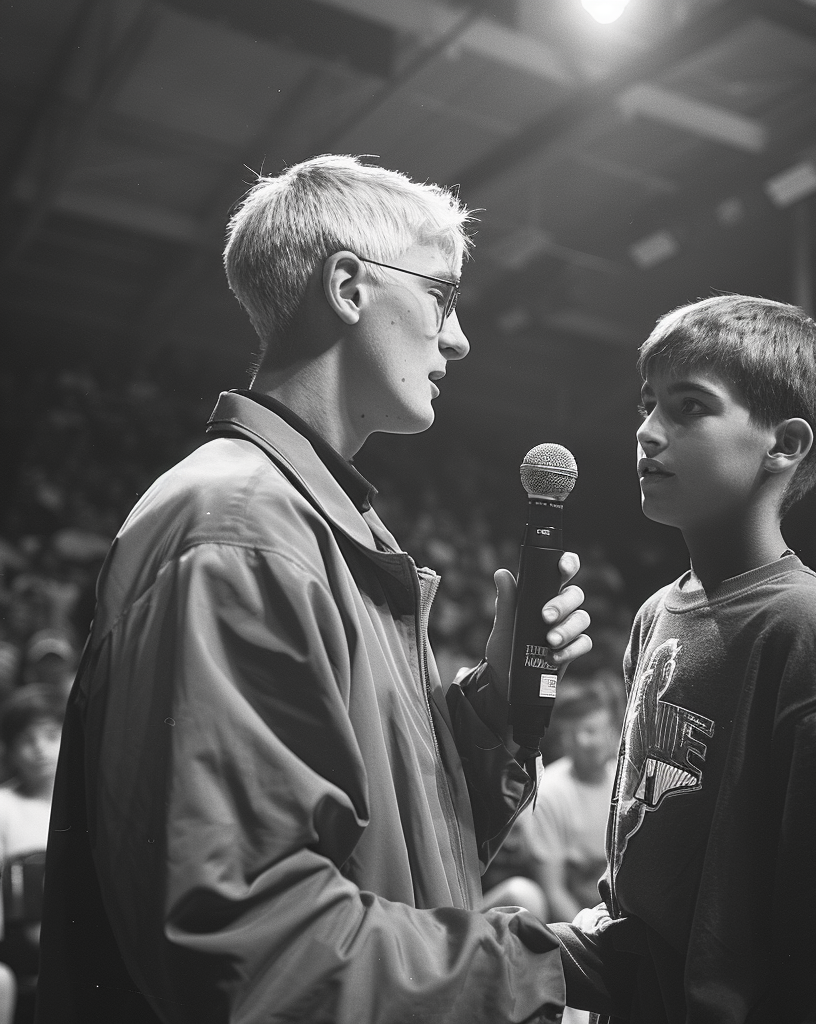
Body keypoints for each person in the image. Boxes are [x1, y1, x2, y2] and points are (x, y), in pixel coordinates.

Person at [35, 154, 593, 1024]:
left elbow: (392, 857)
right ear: (348, 286)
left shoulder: (304, 523)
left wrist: (491, 714)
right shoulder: (242, 531)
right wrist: (550, 967)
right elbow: (256, 946)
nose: (459, 338)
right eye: (442, 297)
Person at [551, 295, 816, 1022]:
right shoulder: (656, 615)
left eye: (688, 408)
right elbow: (640, 870)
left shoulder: (805, 629)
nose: (647, 432)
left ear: (783, 445)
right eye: (648, 405)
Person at [525, 680, 621, 924]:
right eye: (572, 734)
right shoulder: (550, 791)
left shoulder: (625, 782)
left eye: (591, 731)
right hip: (577, 918)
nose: (583, 743)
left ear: (611, 732)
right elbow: (553, 890)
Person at [0, 685, 64, 1023]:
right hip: (22, 952)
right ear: (10, 751)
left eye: (50, 736)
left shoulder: (92, 805)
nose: (39, 749)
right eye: (27, 740)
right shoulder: (4, 806)